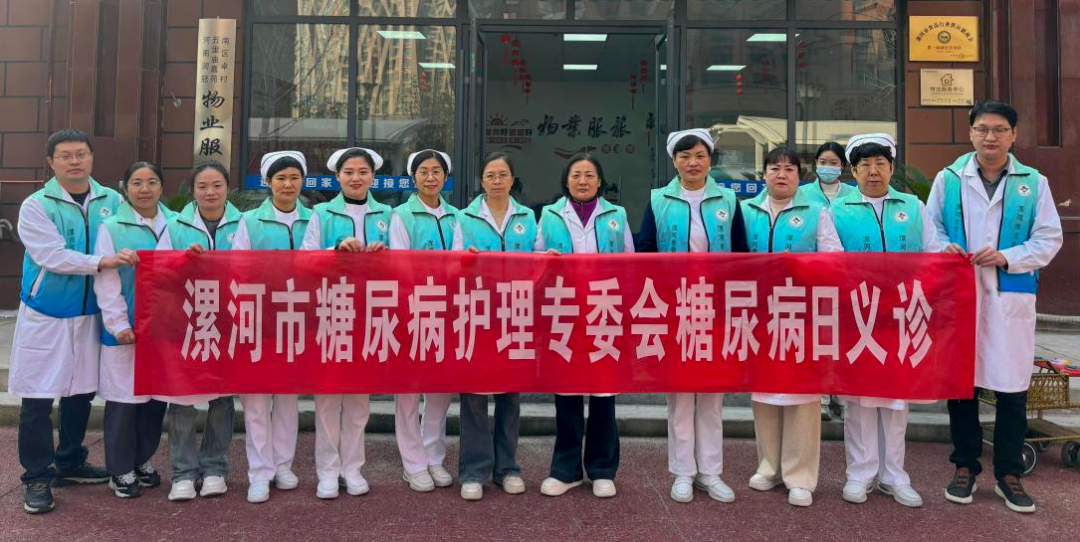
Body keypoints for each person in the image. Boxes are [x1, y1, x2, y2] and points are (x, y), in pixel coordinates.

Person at [927, 101, 1063, 513]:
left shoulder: (1033, 183)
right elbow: (930, 228)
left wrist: (1007, 256)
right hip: (961, 293)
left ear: (1013, 135)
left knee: (1012, 389)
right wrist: (942, 248)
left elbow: (1049, 237)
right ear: (970, 133)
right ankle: (964, 466)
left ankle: (1009, 474)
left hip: (1009, 296)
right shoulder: (949, 179)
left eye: (1000, 129)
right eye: (983, 129)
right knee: (961, 386)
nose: (990, 136)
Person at [10, 128, 126, 513]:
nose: (75, 161)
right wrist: (101, 262)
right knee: (38, 396)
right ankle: (37, 476)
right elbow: (51, 255)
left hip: (91, 312)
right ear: (51, 162)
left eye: (81, 154)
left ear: (92, 157)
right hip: (47, 312)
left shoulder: (112, 200)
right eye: (65, 155)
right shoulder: (36, 205)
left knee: (81, 391)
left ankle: (71, 459)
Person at [635, 128, 748, 504]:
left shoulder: (728, 200)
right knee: (681, 394)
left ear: (710, 160)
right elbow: (646, 252)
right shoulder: (659, 200)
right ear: (674, 161)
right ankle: (683, 471)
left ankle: (711, 472)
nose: (693, 163)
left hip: (716, 308)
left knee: (712, 393)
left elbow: (741, 254)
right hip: (675, 308)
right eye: (685, 156)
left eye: (700, 155)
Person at [830, 133, 941, 508]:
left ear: (892, 168)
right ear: (853, 171)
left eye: (880, 164)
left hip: (902, 313)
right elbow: (832, 260)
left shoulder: (913, 207)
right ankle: (859, 474)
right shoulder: (837, 210)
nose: (873, 171)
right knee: (859, 399)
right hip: (858, 315)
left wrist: (915, 293)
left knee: (896, 398)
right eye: (865, 165)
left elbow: (933, 254)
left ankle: (895, 475)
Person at [742, 147, 842, 508]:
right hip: (757, 314)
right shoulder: (746, 210)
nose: (781, 174)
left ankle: (800, 475)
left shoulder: (816, 212)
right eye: (775, 168)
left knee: (802, 393)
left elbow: (834, 259)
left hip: (802, 312)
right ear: (764, 174)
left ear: (800, 177)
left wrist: (801, 270)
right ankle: (769, 466)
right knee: (764, 391)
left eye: (789, 169)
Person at [534, 153, 633, 499]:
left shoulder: (616, 215)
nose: (582, 181)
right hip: (564, 311)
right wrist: (544, 261)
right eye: (576, 175)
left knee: (604, 393)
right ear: (566, 180)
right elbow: (533, 260)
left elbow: (630, 263)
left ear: (600, 181)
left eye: (590, 175)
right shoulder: (549, 215)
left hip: (605, 310)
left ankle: (602, 469)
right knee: (567, 393)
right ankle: (566, 470)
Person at [301, 146, 390, 499]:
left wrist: (384, 255)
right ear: (337, 177)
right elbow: (305, 259)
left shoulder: (387, 214)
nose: (356, 178)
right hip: (331, 312)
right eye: (349, 172)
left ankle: (352, 468)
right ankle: (327, 471)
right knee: (327, 398)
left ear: (373, 177)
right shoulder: (321, 213)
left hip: (369, 313)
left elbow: (402, 263)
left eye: (363, 172)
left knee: (358, 399)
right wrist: (333, 250)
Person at [156, 161, 244, 501]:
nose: (210, 192)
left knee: (222, 398)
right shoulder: (174, 226)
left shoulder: (244, 223)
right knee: (182, 398)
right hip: (187, 321)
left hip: (228, 321)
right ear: (192, 190)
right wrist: (181, 259)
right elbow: (160, 270)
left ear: (227, 188)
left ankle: (214, 468)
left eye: (217, 185)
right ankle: (182, 472)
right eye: (202, 186)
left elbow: (254, 269)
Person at [451, 151, 535, 501]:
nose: (497, 180)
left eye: (502, 175)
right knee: (473, 395)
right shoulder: (465, 217)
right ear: (482, 181)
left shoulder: (528, 217)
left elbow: (539, 263)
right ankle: (474, 470)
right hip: (477, 312)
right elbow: (453, 265)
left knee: (510, 394)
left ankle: (507, 468)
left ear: (512, 179)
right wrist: (465, 263)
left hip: (516, 312)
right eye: (490, 175)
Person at [230, 150, 311, 503]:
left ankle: (283, 465)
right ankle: (259, 472)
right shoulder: (250, 221)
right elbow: (237, 269)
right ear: (268, 182)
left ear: (302, 181)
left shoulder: (314, 219)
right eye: (280, 178)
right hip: (260, 319)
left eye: (294, 177)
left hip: (297, 319)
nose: (288, 184)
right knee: (257, 400)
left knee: (288, 399)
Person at [93, 161, 175, 499]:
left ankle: (142, 459)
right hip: (127, 328)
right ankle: (120, 469)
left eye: (152, 182)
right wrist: (118, 324)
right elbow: (106, 280)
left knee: (155, 401)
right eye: (137, 182)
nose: (144, 189)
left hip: (165, 330)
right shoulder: (111, 228)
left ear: (161, 187)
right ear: (125, 188)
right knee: (124, 401)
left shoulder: (177, 223)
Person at [388, 149, 458, 492]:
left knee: (441, 388)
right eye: (423, 172)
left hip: (448, 313)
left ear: (445, 176)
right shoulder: (401, 216)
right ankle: (413, 462)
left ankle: (434, 456)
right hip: (412, 311)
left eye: (437, 171)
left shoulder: (457, 216)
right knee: (408, 391)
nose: (431, 177)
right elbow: (400, 267)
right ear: (412, 177)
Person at [799, 141, 855, 206]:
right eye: (822, 162)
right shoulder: (800, 193)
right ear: (816, 163)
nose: (827, 167)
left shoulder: (853, 193)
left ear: (842, 165)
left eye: (833, 163)